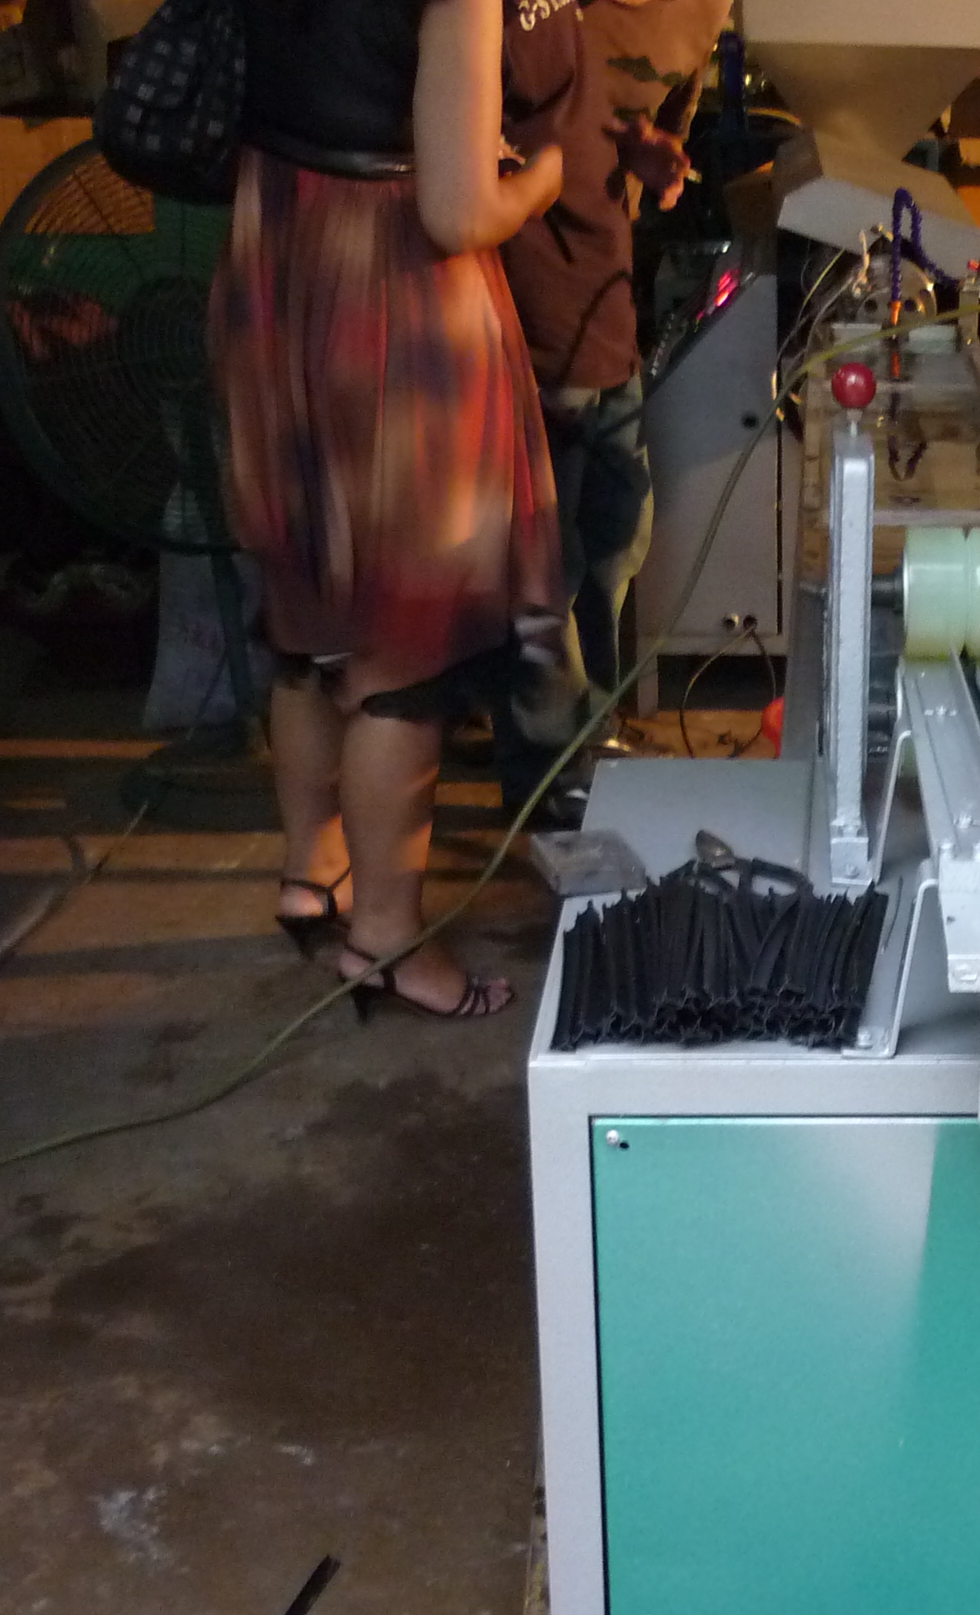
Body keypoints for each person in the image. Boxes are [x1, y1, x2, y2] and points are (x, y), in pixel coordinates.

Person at [218, 0, 570, 1018]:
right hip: (388, 295)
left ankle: (311, 872)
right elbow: (457, 213)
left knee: (309, 605)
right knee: (402, 650)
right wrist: (540, 179)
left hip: (270, 259)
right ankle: (385, 941)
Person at [493, 0, 728, 823]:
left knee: (616, 528)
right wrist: (529, 178)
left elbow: (591, 113)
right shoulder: (501, 14)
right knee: (542, 557)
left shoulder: (679, 15)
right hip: (529, 296)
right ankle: (549, 761)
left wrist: (638, 153)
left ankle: (585, 726)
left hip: (602, 291)